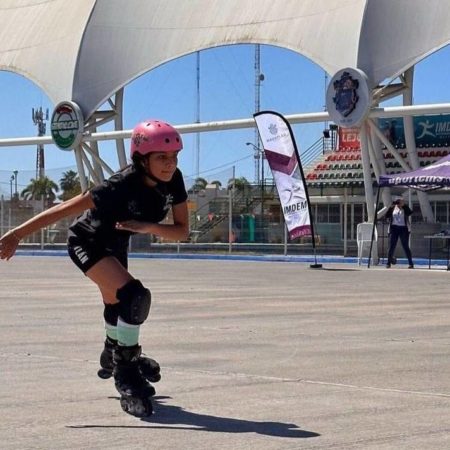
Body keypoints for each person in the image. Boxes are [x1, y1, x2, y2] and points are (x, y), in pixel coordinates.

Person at [0, 119, 189, 417]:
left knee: (119, 308)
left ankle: (115, 351)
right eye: (162, 158)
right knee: (134, 297)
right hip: (87, 242)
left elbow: (181, 231)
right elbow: (67, 207)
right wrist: (16, 234)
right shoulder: (120, 184)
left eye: (174, 157)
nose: (170, 164)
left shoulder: (174, 180)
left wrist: (147, 226)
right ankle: (125, 371)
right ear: (142, 159)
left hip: (115, 246)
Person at [378, 197, 414, 269]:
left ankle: (410, 263)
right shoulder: (393, 208)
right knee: (391, 246)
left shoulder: (404, 208)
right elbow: (386, 216)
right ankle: (388, 263)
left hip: (403, 228)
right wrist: (390, 207)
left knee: (405, 246)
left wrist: (404, 205)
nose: (398, 203)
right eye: (397, 202)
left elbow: (410, 212)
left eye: (399, 202)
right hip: (394, 228)